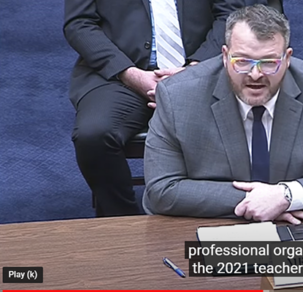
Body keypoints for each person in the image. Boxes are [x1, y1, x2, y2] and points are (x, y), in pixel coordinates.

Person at [142, 4, 303, 224]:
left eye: (269, 62)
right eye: (242, 61)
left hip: (298, 227)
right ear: (224, 56)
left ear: (287, 58)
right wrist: (260, 203)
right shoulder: (177, 96)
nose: (255, 74)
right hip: (211, 223)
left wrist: (287, 196)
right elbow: (163, 189)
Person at [63, 0, 247, 217]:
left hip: (206, 69)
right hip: (120, 74)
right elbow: (79, 24)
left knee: (246, 125)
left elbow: (232, 14)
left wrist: (196, 68)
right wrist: (130, 73)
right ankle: (122, 223)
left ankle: (232, 212)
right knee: (93, 134)